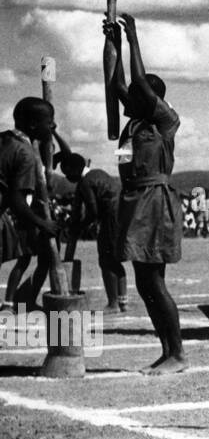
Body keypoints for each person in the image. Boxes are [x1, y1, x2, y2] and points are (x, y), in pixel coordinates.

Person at [103, 13, 186, 374]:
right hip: (134, 199)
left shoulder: (164, 122)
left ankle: (178, 353)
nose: (127, 99)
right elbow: (118, 82)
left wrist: (133, 38)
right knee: (143, 281)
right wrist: (113, 44)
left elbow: (136, 80)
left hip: (155, 201)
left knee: (153, 278)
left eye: (136, 97)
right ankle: (167, 350)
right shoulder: (132, 126)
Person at [1, 99, 60, 311]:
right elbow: (17, 201)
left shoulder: (5, 140)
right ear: (34, 125)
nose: (53, 126)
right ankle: (11, 302)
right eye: (49, 122)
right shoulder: (24, 153)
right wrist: (43, 224)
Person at [60, 152, 127, 312]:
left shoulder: (85, 182)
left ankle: (113, 304)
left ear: (75, 170)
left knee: (106, 259)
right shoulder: (98, 173)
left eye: (67, 173)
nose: (67, 178)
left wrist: (80, 226)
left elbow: (93, 211)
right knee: (115, 258)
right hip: (122, 214)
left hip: (110, 216)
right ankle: (122, 300)